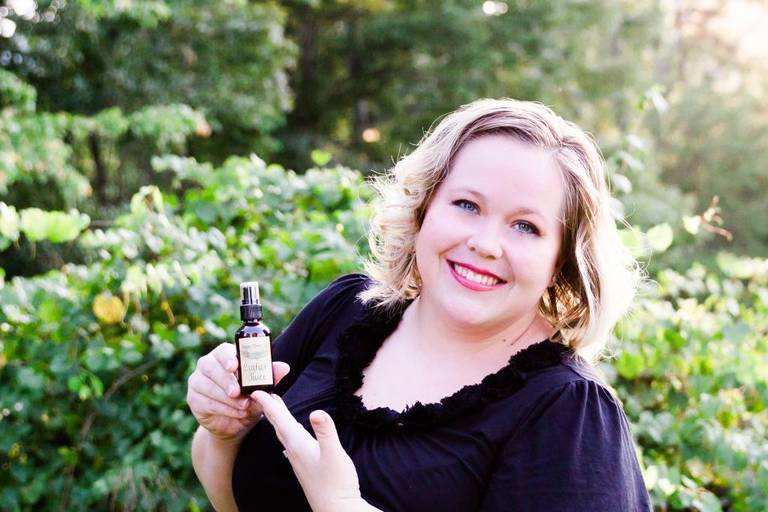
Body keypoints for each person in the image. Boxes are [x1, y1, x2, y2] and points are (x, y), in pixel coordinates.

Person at [187, 98, 652, 511]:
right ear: (423, 207)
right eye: (467, 205)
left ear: (561, 260)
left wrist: (342, 506)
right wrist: (224, 433)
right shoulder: (344, 311)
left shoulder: (568, 414)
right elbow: (235, 500)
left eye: (525, 226)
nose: (485, 243)